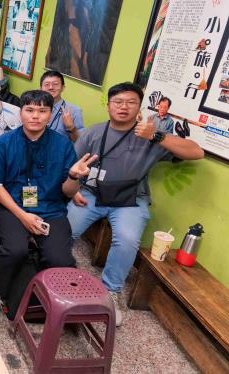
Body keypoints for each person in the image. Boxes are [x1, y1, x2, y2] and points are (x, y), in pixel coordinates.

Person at [66, 82, 203, 325]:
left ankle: (110, 291)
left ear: (139, 107)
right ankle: (56, 271)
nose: (123, 107)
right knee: (64, 229)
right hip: (91, 192)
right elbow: (71, 166)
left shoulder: (150, 135)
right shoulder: (93, 133)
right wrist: (73, 190)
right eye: (118, 102)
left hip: (130, 198)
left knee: (128, 239)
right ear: (108, 106)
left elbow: (196, 152)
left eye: (131, 102)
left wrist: (156, 136)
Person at [0, 90, 98, 323]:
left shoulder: (63, 145)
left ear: (50, 114)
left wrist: (74, 177)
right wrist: (23, 216)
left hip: (51, 208)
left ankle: (49, 299)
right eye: (29, 110)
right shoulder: (4, 143)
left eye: (42, 111)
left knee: (60, 259)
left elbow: (68, 192)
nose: (35, 116)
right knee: (14, 249)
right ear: (21, 113)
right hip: (12, 207)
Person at [40, 70, 84, 142]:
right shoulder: (33, 108)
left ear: (63, 88)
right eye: (47, 84)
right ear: (41, 88)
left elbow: (80, 141)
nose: (51, 87)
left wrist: (71, 128)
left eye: (55, 84)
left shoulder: (74, 111)